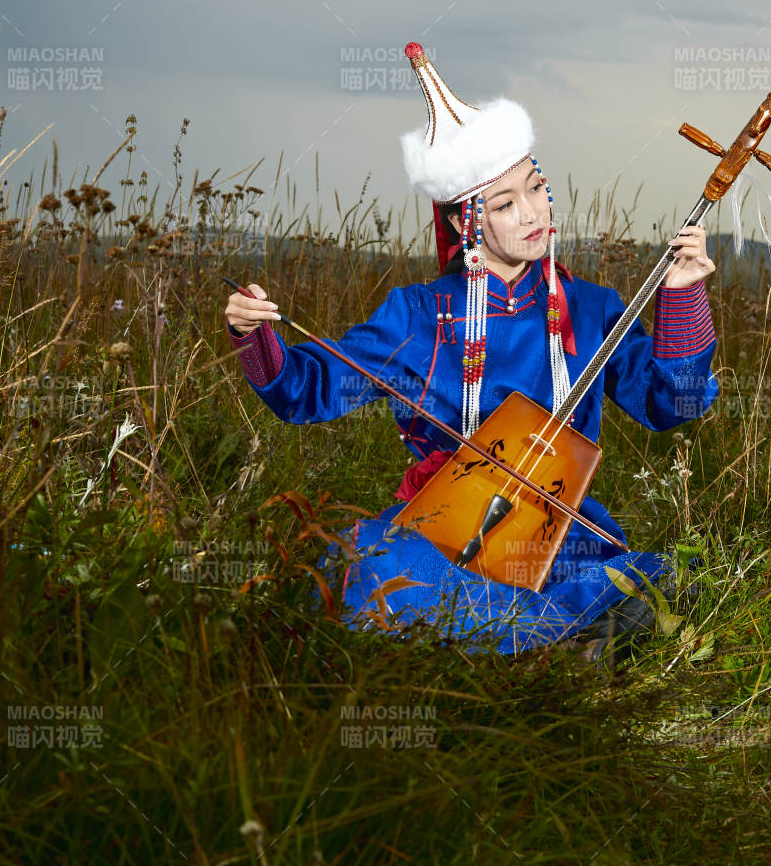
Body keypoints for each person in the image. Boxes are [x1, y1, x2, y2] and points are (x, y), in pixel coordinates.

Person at [224, 41, 718, 657]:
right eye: (506, 204)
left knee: (648, 571)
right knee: (364, 568)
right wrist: (255, 334)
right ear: (464, 224)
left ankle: (521, 634)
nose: (533, 213)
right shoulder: (417, 315)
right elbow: (306, 390)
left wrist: (682, 298)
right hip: (442, 529)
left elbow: (676, 404)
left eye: (536, 190)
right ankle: (562, 636)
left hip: (552, 531)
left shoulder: (592, 309)